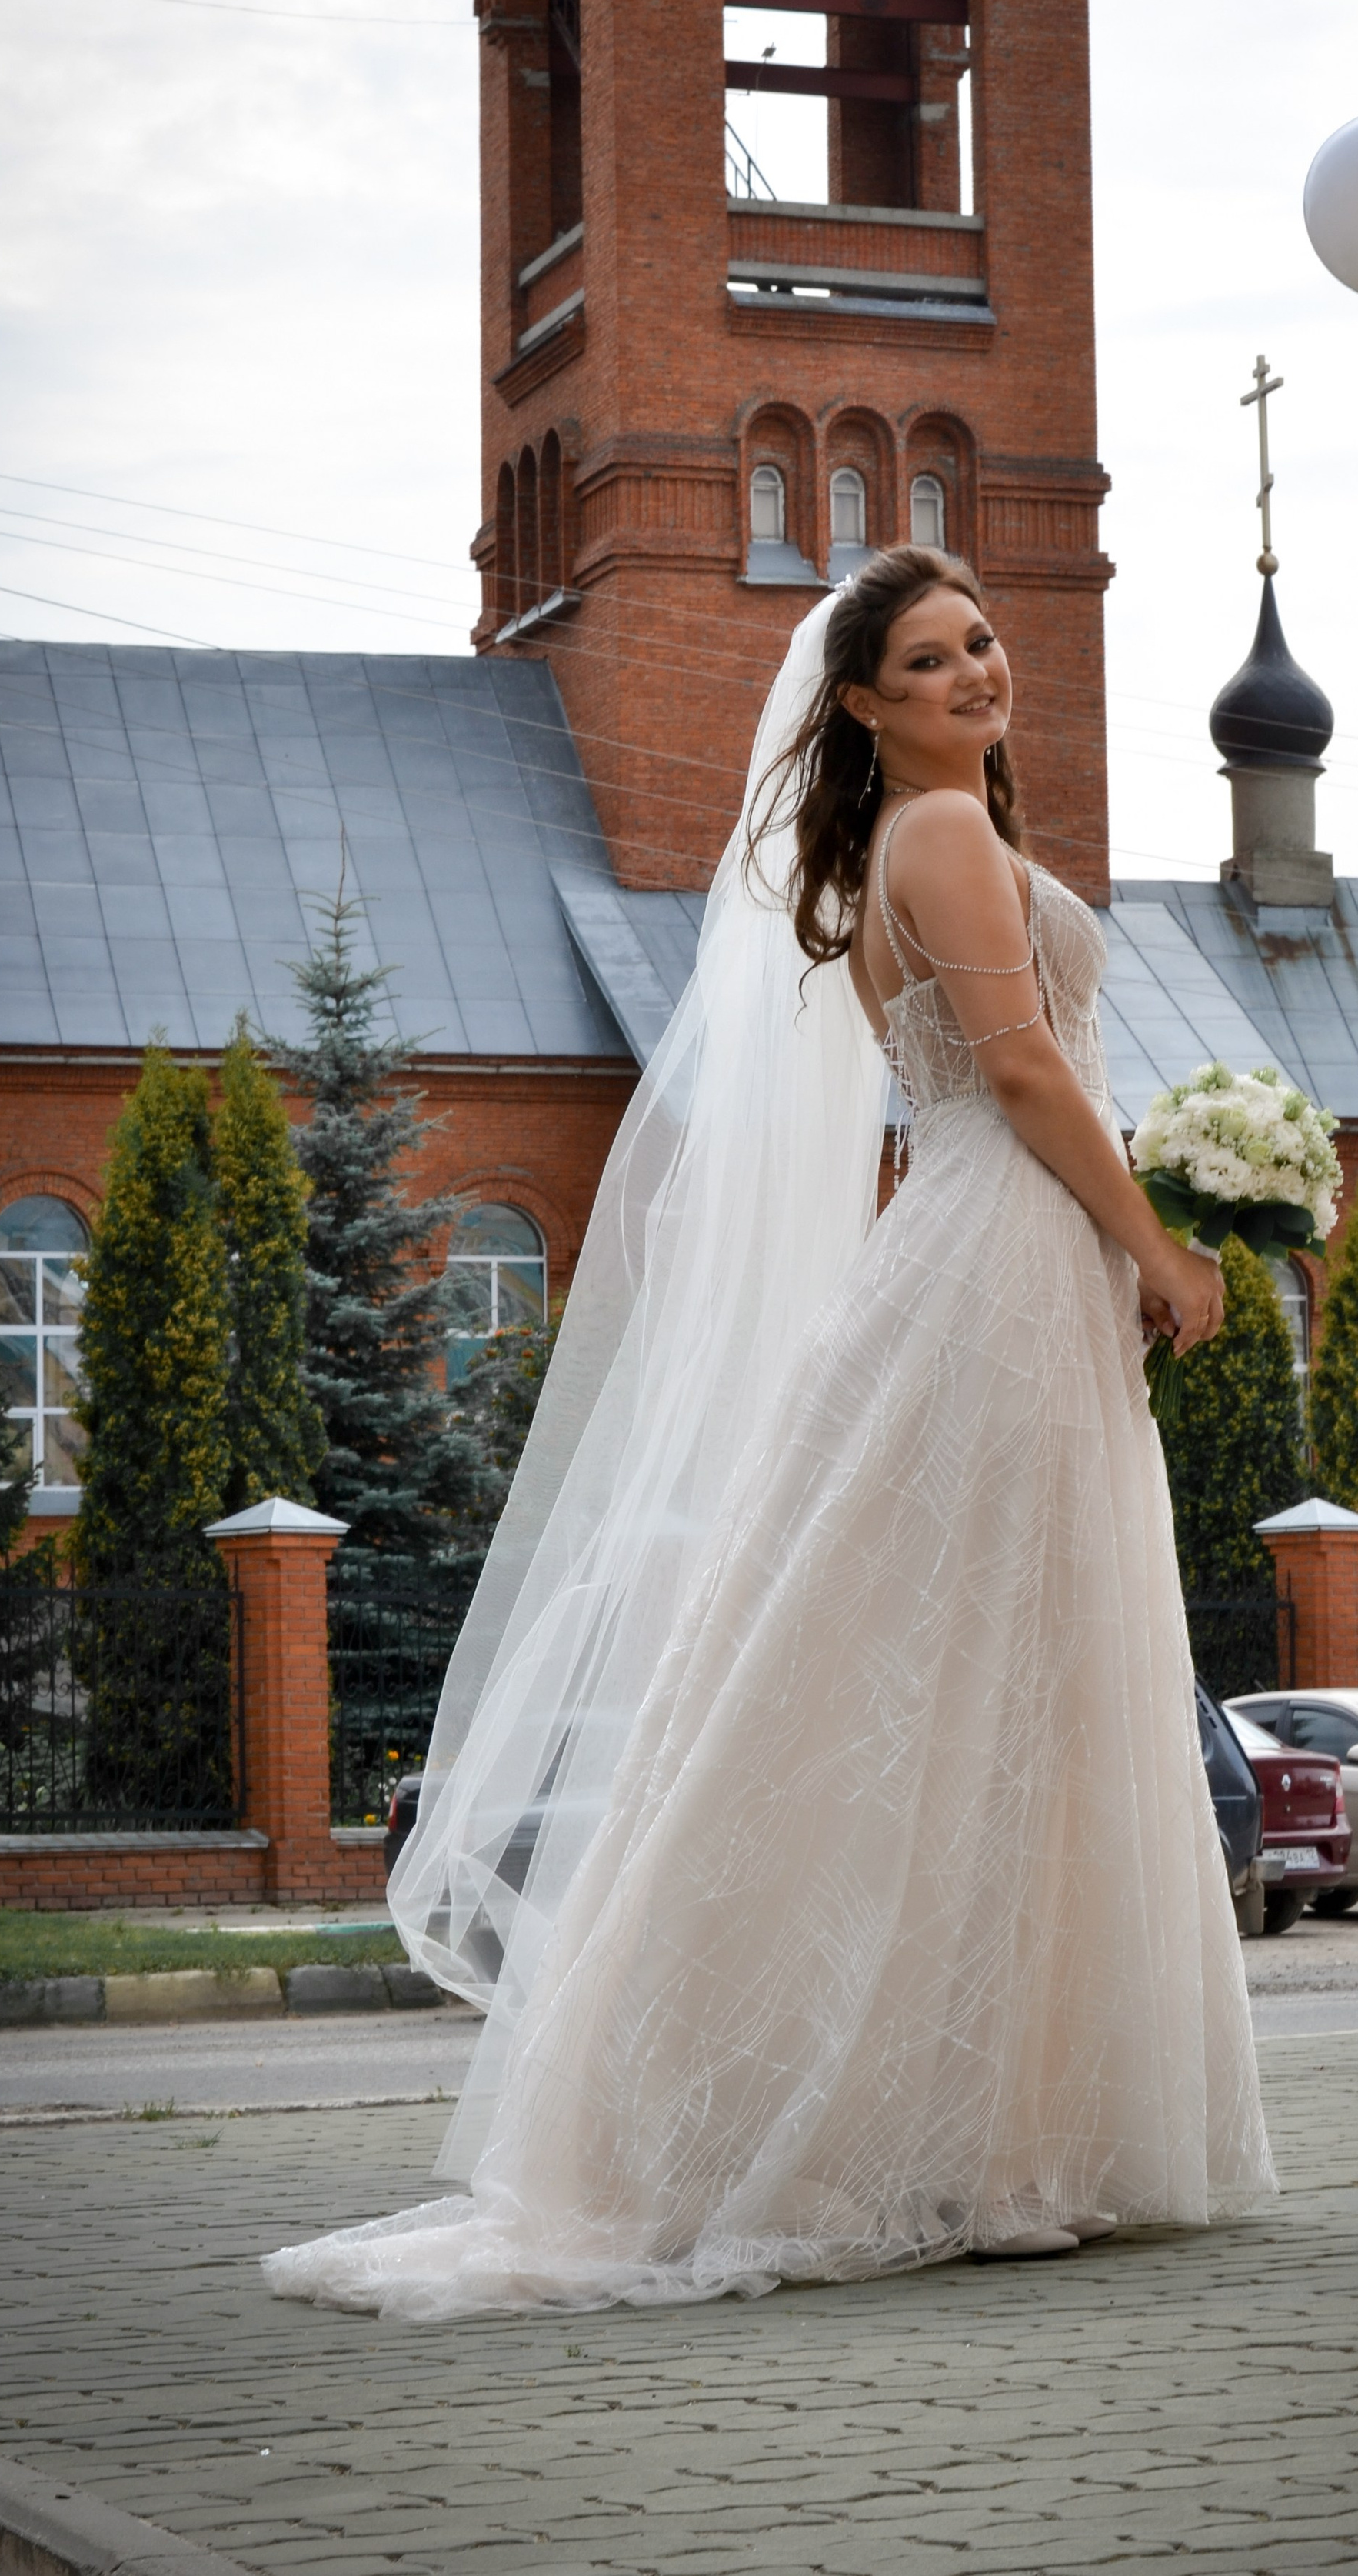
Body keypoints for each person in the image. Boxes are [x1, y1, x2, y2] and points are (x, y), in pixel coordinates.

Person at [264, 549, 1275, 2321]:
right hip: (997, 1254)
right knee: (983, 1678)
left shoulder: (930, 833)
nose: (976, 672)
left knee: (979, 1682)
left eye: (981, 642)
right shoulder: (937, 836)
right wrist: (1161, 1247)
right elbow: (1026, 1072)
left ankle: (995, 2128)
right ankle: (960, 2137)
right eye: (929, 657)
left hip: (997, 1252)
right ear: (864, 704)